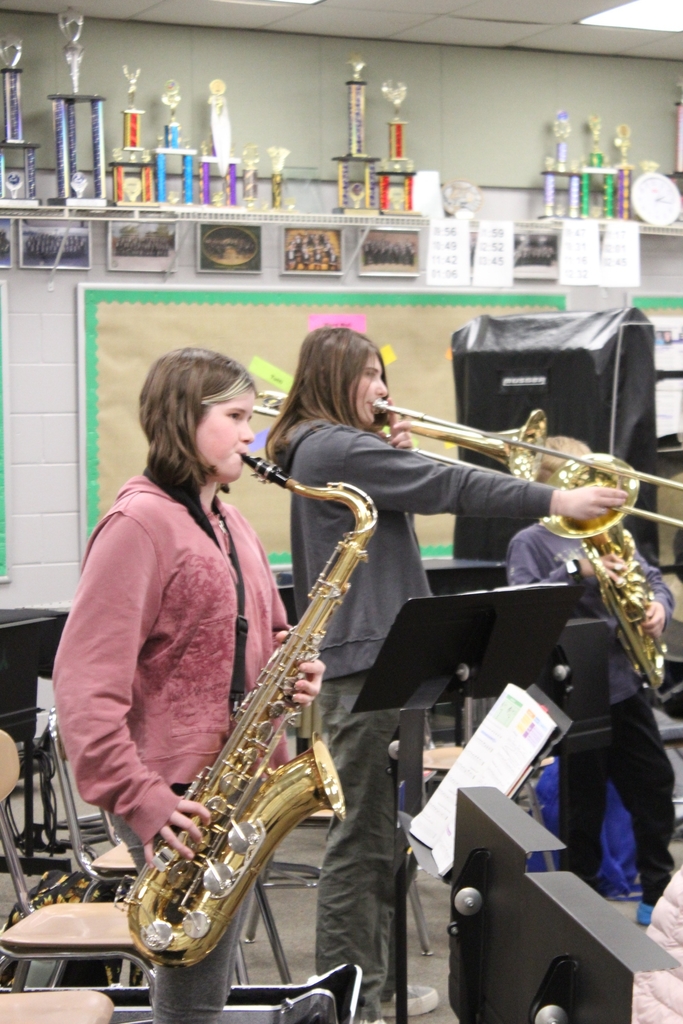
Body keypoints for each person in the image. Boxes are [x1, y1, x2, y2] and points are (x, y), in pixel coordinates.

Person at [265, 327, 626, 1024]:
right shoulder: (333, 445)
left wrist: (390, 456)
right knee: (360, 847)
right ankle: (349, 1000)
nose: (382, 388)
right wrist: (551, 502)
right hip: (365, 671)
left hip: (381, 664)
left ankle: (374, 986)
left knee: (379, 844)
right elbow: (448, 482)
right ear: (334, 376)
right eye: (368, 374)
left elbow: (413, 488)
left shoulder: (335, 448)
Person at [53, 348, 323, 1024]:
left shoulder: (230, 522)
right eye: (233, 417)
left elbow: (264, 631)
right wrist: (140, 800)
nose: (248, 434)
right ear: (182, 420)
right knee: (194, 985)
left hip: (230, 782)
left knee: (206, 973)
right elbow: (83, 685)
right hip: (169, 789)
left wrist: (291, 668)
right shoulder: (137, 526)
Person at [506, 436, 675, 928]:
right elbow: (523, 603)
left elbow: (653, 579)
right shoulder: (532, 541)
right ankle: (580, 901)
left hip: (623, 682)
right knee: (583, 800)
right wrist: (574, 570)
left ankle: (657, 889)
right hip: (574, 688)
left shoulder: (607, 529)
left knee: (654, 783)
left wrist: (660, 607)